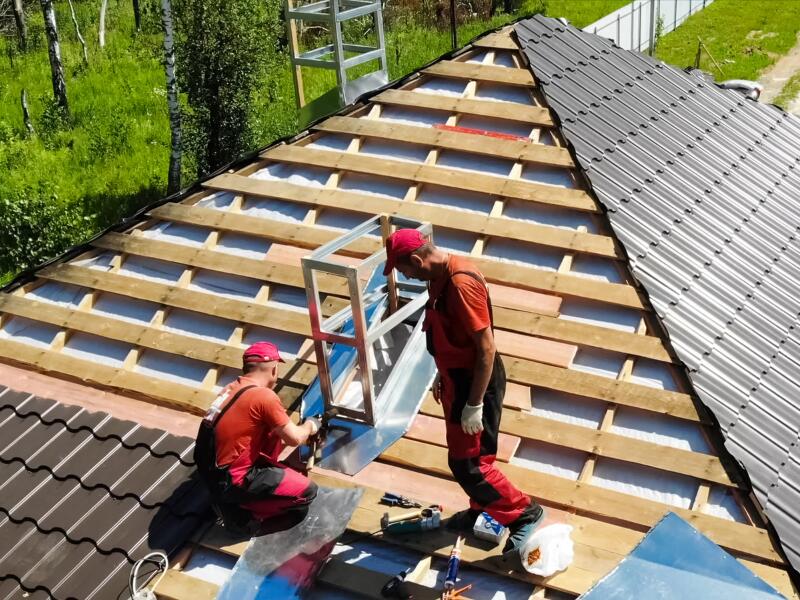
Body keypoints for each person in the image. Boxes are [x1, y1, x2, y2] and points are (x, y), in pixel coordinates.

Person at [383, 229, 544, 554]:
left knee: (470, 464)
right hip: (457, 379)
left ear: (417, 259)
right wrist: (443, 375)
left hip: (475, 384)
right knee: (469, 457)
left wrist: (474, 404)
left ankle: (524, 513)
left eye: (404, 270)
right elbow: (448, 332)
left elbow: (486, 349)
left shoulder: (460, 284)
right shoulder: (439, 276)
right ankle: (484, 507)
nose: (406, 276)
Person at [195, 341, 321, 533]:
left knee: (272, 432)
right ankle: (244, 518)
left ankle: (232, 501)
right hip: (235, 480)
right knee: (307, 493)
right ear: (274, 369)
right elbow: (294, 438)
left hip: (215, 475)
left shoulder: (230, 389)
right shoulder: (264, 397)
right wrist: (311, 425)